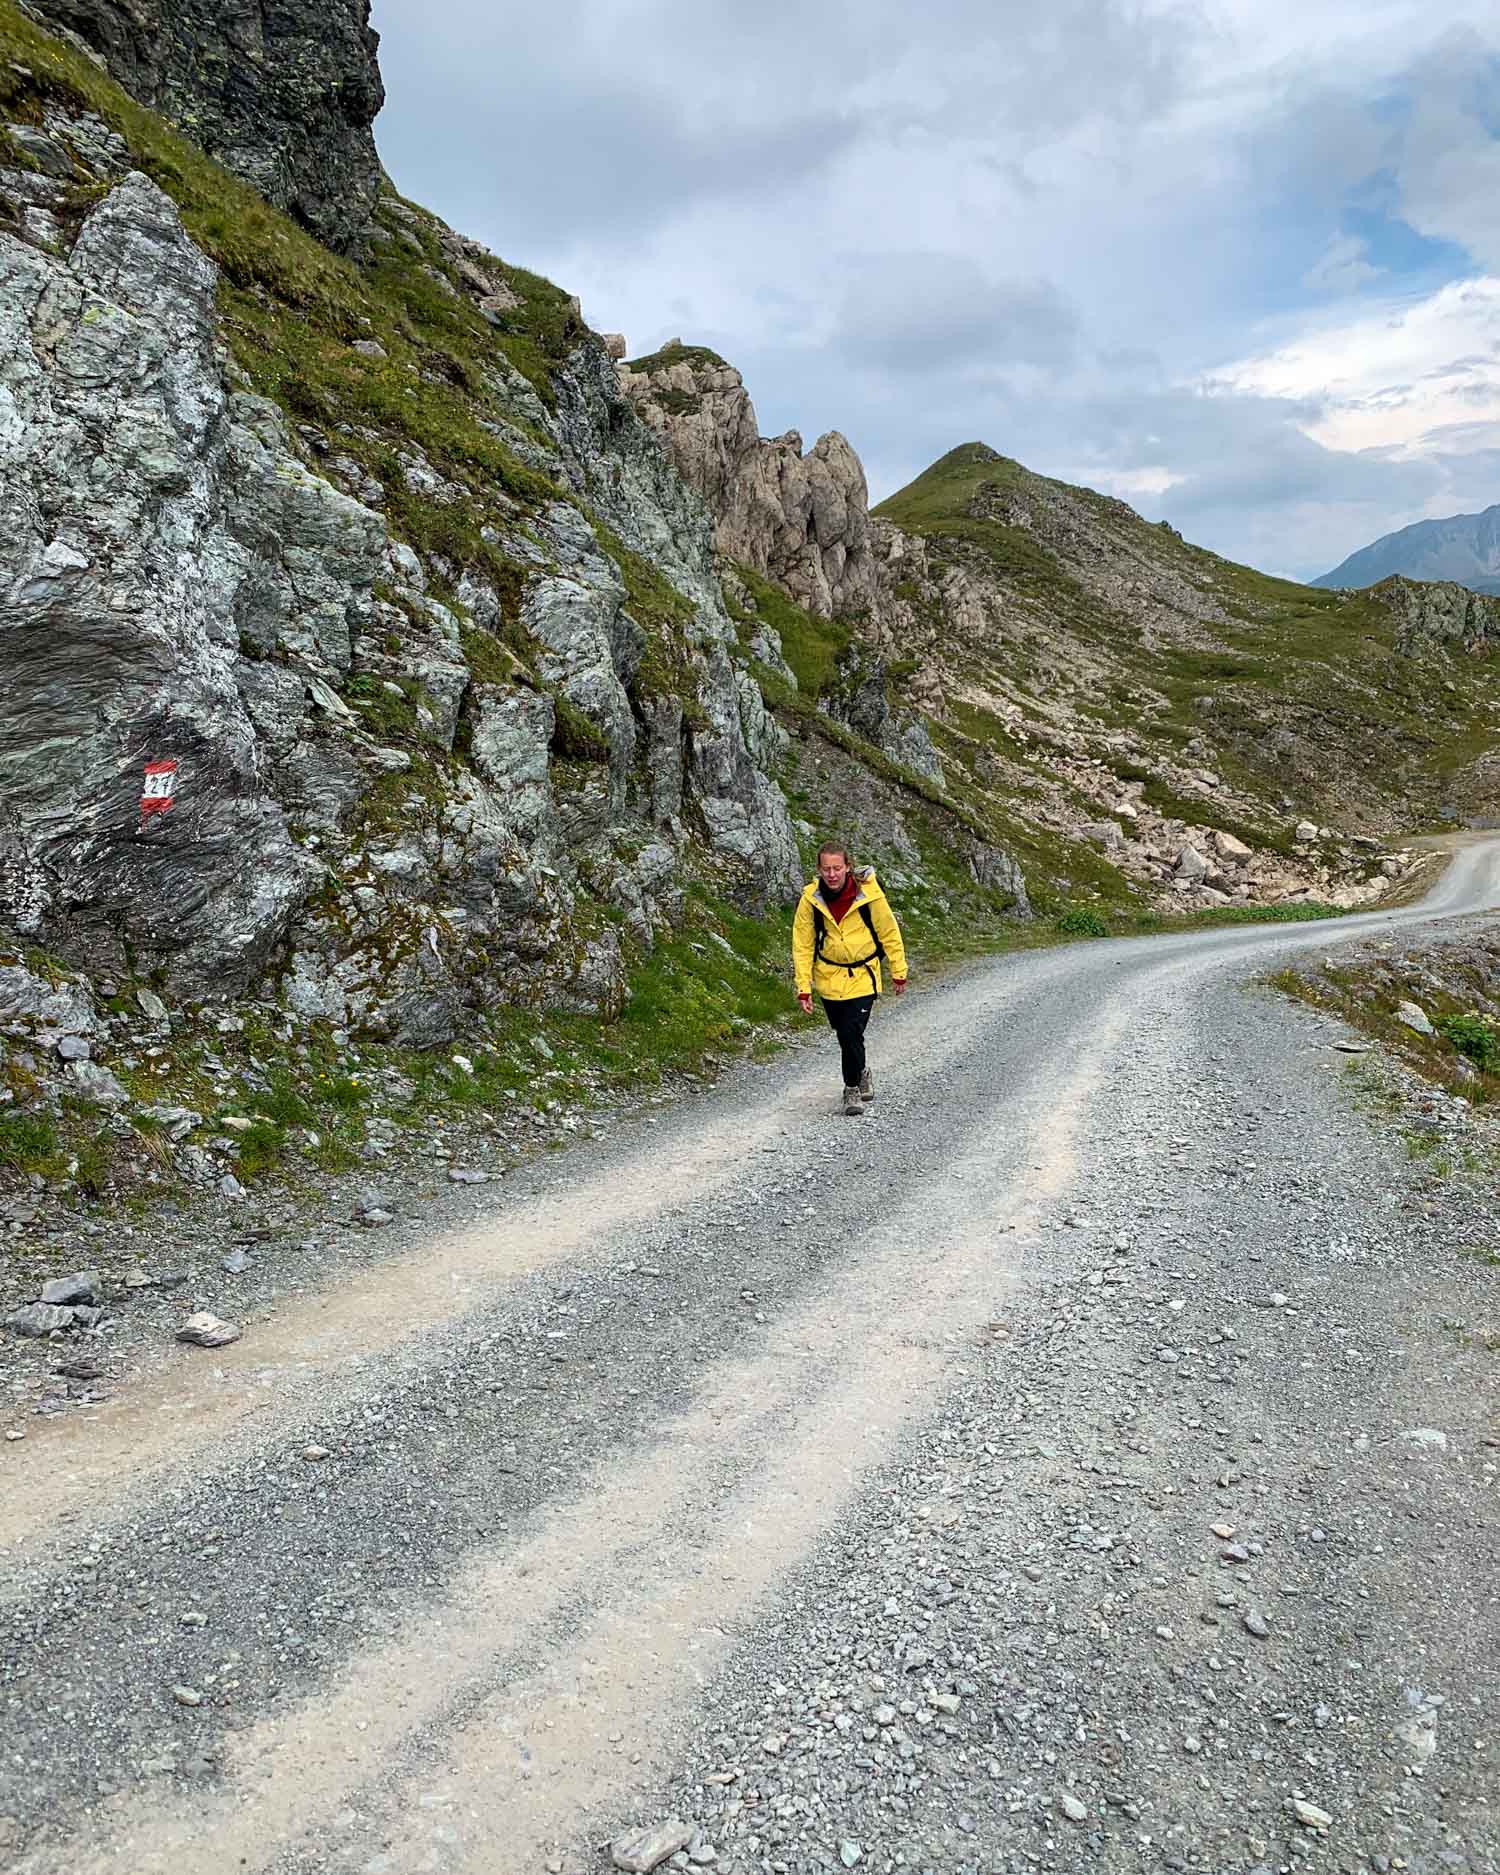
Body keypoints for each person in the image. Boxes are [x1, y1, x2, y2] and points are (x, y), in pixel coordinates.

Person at [792, 842, 908, 1116]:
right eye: (826, 869)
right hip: (829, 977)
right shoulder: (811, 899)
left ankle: (851, 1089)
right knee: (846, 1035)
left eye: (837, 868)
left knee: (850, 1031)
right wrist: (803, 987)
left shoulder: (870, 895)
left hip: (863, 975)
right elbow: (802, 944)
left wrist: (898, 971)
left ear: (848, 867)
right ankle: (862, 1070)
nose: (832, 874)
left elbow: (889, 932)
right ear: (819, 870)